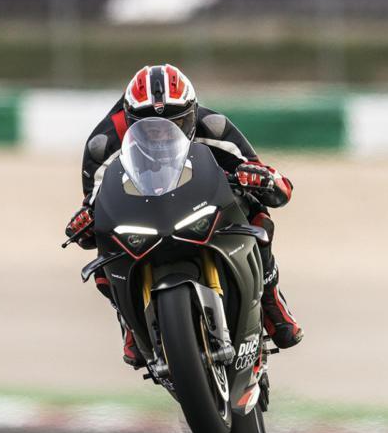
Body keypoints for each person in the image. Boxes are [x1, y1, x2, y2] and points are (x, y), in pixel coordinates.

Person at [65, 64, 303, 367]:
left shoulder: (213, 127)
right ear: (130, 120)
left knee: (257, 214)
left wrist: (262, 178)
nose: (163, 134)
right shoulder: (104, 144)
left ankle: (271, 300)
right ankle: (130, 323)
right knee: (104, 251)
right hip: (142, 213)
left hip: (198, 204)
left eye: (176, 122)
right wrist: (85, 220)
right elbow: (97, 204)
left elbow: (275, 185)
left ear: (192, 112)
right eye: (149, 126)